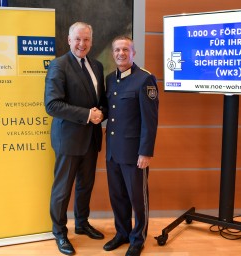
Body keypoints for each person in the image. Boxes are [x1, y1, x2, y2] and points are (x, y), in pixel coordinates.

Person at [44, 21, 107, 255]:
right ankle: (60, 232)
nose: (82, 44)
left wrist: (101, 112)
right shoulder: (59, 66)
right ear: (69, 40)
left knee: (85, 186)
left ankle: (81, 224)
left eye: (87, 39)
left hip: (91, 139)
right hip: (68, 140)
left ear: (91, 41)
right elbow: (52, 105)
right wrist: (88, 114)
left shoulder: (97, 66)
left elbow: (99, 100)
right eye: (78, 39)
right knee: (63, 189)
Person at [103, 36, 159, 256]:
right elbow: (112, 112)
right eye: (117, 50)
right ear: (113, 54)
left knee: (138, 198)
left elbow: (150, 120)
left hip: (135, 153)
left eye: (125, 49)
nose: (121, 53)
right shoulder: (110, 79)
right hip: (113, 152)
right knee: (117, 196)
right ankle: (122, 233)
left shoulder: (145, 80)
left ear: (133, 53)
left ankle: (138, 238)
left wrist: (145, 152)